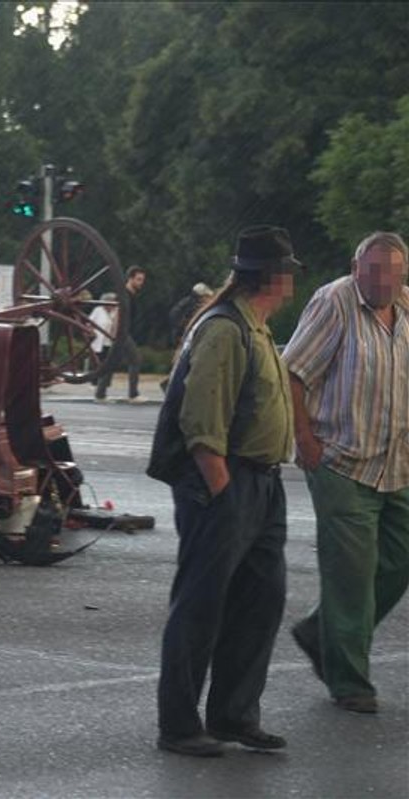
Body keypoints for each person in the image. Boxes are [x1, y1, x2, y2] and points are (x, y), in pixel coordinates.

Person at [153, 225, 299, 757]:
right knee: (201, 604)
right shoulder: (224, 329)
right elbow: (201, 418)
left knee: (261, 600)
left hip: (262, 483)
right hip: (228, 481)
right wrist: (219, 484)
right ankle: (179, 725)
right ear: (272, 278)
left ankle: (235, 715)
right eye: (287, 273)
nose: (291, 284)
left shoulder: (253, 326)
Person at [284, 231, 409, 715]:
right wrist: (304, 440)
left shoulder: (405, 308)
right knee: (351, 576)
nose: (381, 280)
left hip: (396, 463)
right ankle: (349, 680)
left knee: (398, 561)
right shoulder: (333, 302)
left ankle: (323, 633)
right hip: (341, 460)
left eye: (392, 273)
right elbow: (293, 372)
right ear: (356, 267)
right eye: (372, 270)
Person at [94, 265, 146, 402]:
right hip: (121, 333)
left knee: (112, 362)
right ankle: (133, 394)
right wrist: (116, 335)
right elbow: (116, 314)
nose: (141, 283)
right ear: (130, 279)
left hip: (123, 332)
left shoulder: (131, 295)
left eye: (142, 280)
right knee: (136, 360)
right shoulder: (124, 295)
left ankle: (100, 393)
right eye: (138, 279)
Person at [169, 282, 214, 346]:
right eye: (206, 296)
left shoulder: (186, 303)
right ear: (201, 296)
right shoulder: (192, 307)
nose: (208, 299)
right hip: (184, 337)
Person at [89, 292, 117, 370]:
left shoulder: (115, 312)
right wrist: (91, 332)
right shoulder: (98, 310)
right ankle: (94, 378)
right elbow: (89, 322)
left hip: (108, 341)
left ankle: (102, 378)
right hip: (97, 339)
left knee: (105, 359)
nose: (111, 305)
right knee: (96, 359)